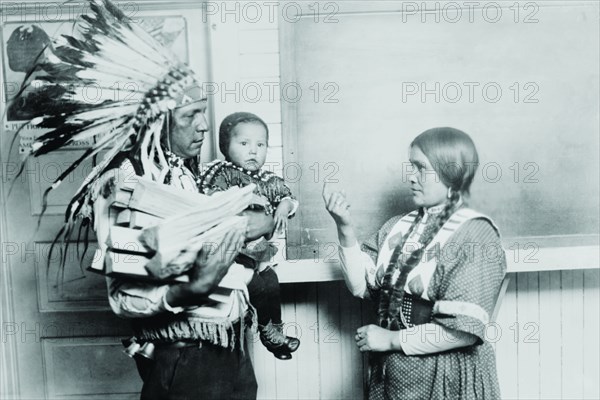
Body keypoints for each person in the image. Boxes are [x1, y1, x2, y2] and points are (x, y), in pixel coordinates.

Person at [10, 1, 273, 398]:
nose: (204, 125)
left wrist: (254, 224)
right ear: (156, 122)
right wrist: (188, 290)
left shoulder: (185, 171)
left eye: (203, 112)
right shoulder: (124, 181)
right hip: (183, 362)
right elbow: (124, 290)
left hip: (229, 351)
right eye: (190, 117)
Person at [323, 127, 506, 399]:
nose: (411, 177)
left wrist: (391, 340)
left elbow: (465, 332)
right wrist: (345, 227)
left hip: (447, 375)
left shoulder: (475, 235)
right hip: (396, 372)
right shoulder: (399, 226)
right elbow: (360, 286)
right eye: (411, 167)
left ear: (451, 171)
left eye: (421, 168)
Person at [198, 112, 300, 360]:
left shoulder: (268, 179)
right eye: (244, 144)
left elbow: (288, 198)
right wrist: (245, 200)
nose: (253, 151)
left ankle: (273, 330)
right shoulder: (222, 172)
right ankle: (265, 327)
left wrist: (284, 207)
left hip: (258, 251)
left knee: (271, 282)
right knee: (255, 285)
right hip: (232, 251)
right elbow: (211, 198)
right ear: (225, 146)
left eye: (260, 144)